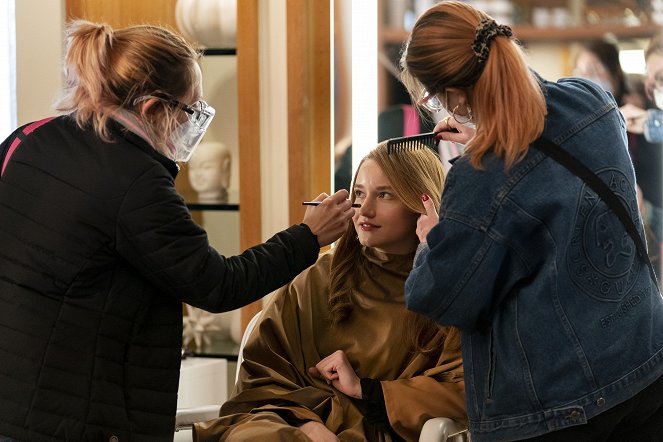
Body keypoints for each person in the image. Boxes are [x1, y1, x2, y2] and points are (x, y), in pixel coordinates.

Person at [0, 20, 355, 442]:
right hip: (77, 409)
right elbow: (218, 284)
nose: (192, 126)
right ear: (152, 108)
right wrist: (308, 237)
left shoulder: (27, 138)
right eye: (191, 110)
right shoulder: (135, 180)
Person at [399, 2, 663, 441]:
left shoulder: (481, 175)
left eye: (430, 98)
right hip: (646, 362)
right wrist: (487, 139)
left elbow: (442, 297)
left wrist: (431, 240)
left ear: (454, 95)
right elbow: (546, 162)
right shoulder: (591, 100)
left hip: (564, 406)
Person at [193, 142, 466, 442]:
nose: (366, 209)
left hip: (378, 428)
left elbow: (465, 389)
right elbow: (262, 375)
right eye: (359, 194)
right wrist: (303, 424)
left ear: (422, 201)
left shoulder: (451, 287)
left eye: (385, 194)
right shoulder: (322, 277)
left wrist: (368, 390)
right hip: (291, 419)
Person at [573, 39, 663, 278]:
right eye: (579, 70)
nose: (585, 76)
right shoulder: (573, 122)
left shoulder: (638, 114)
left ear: (614, 73)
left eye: (593, 70)